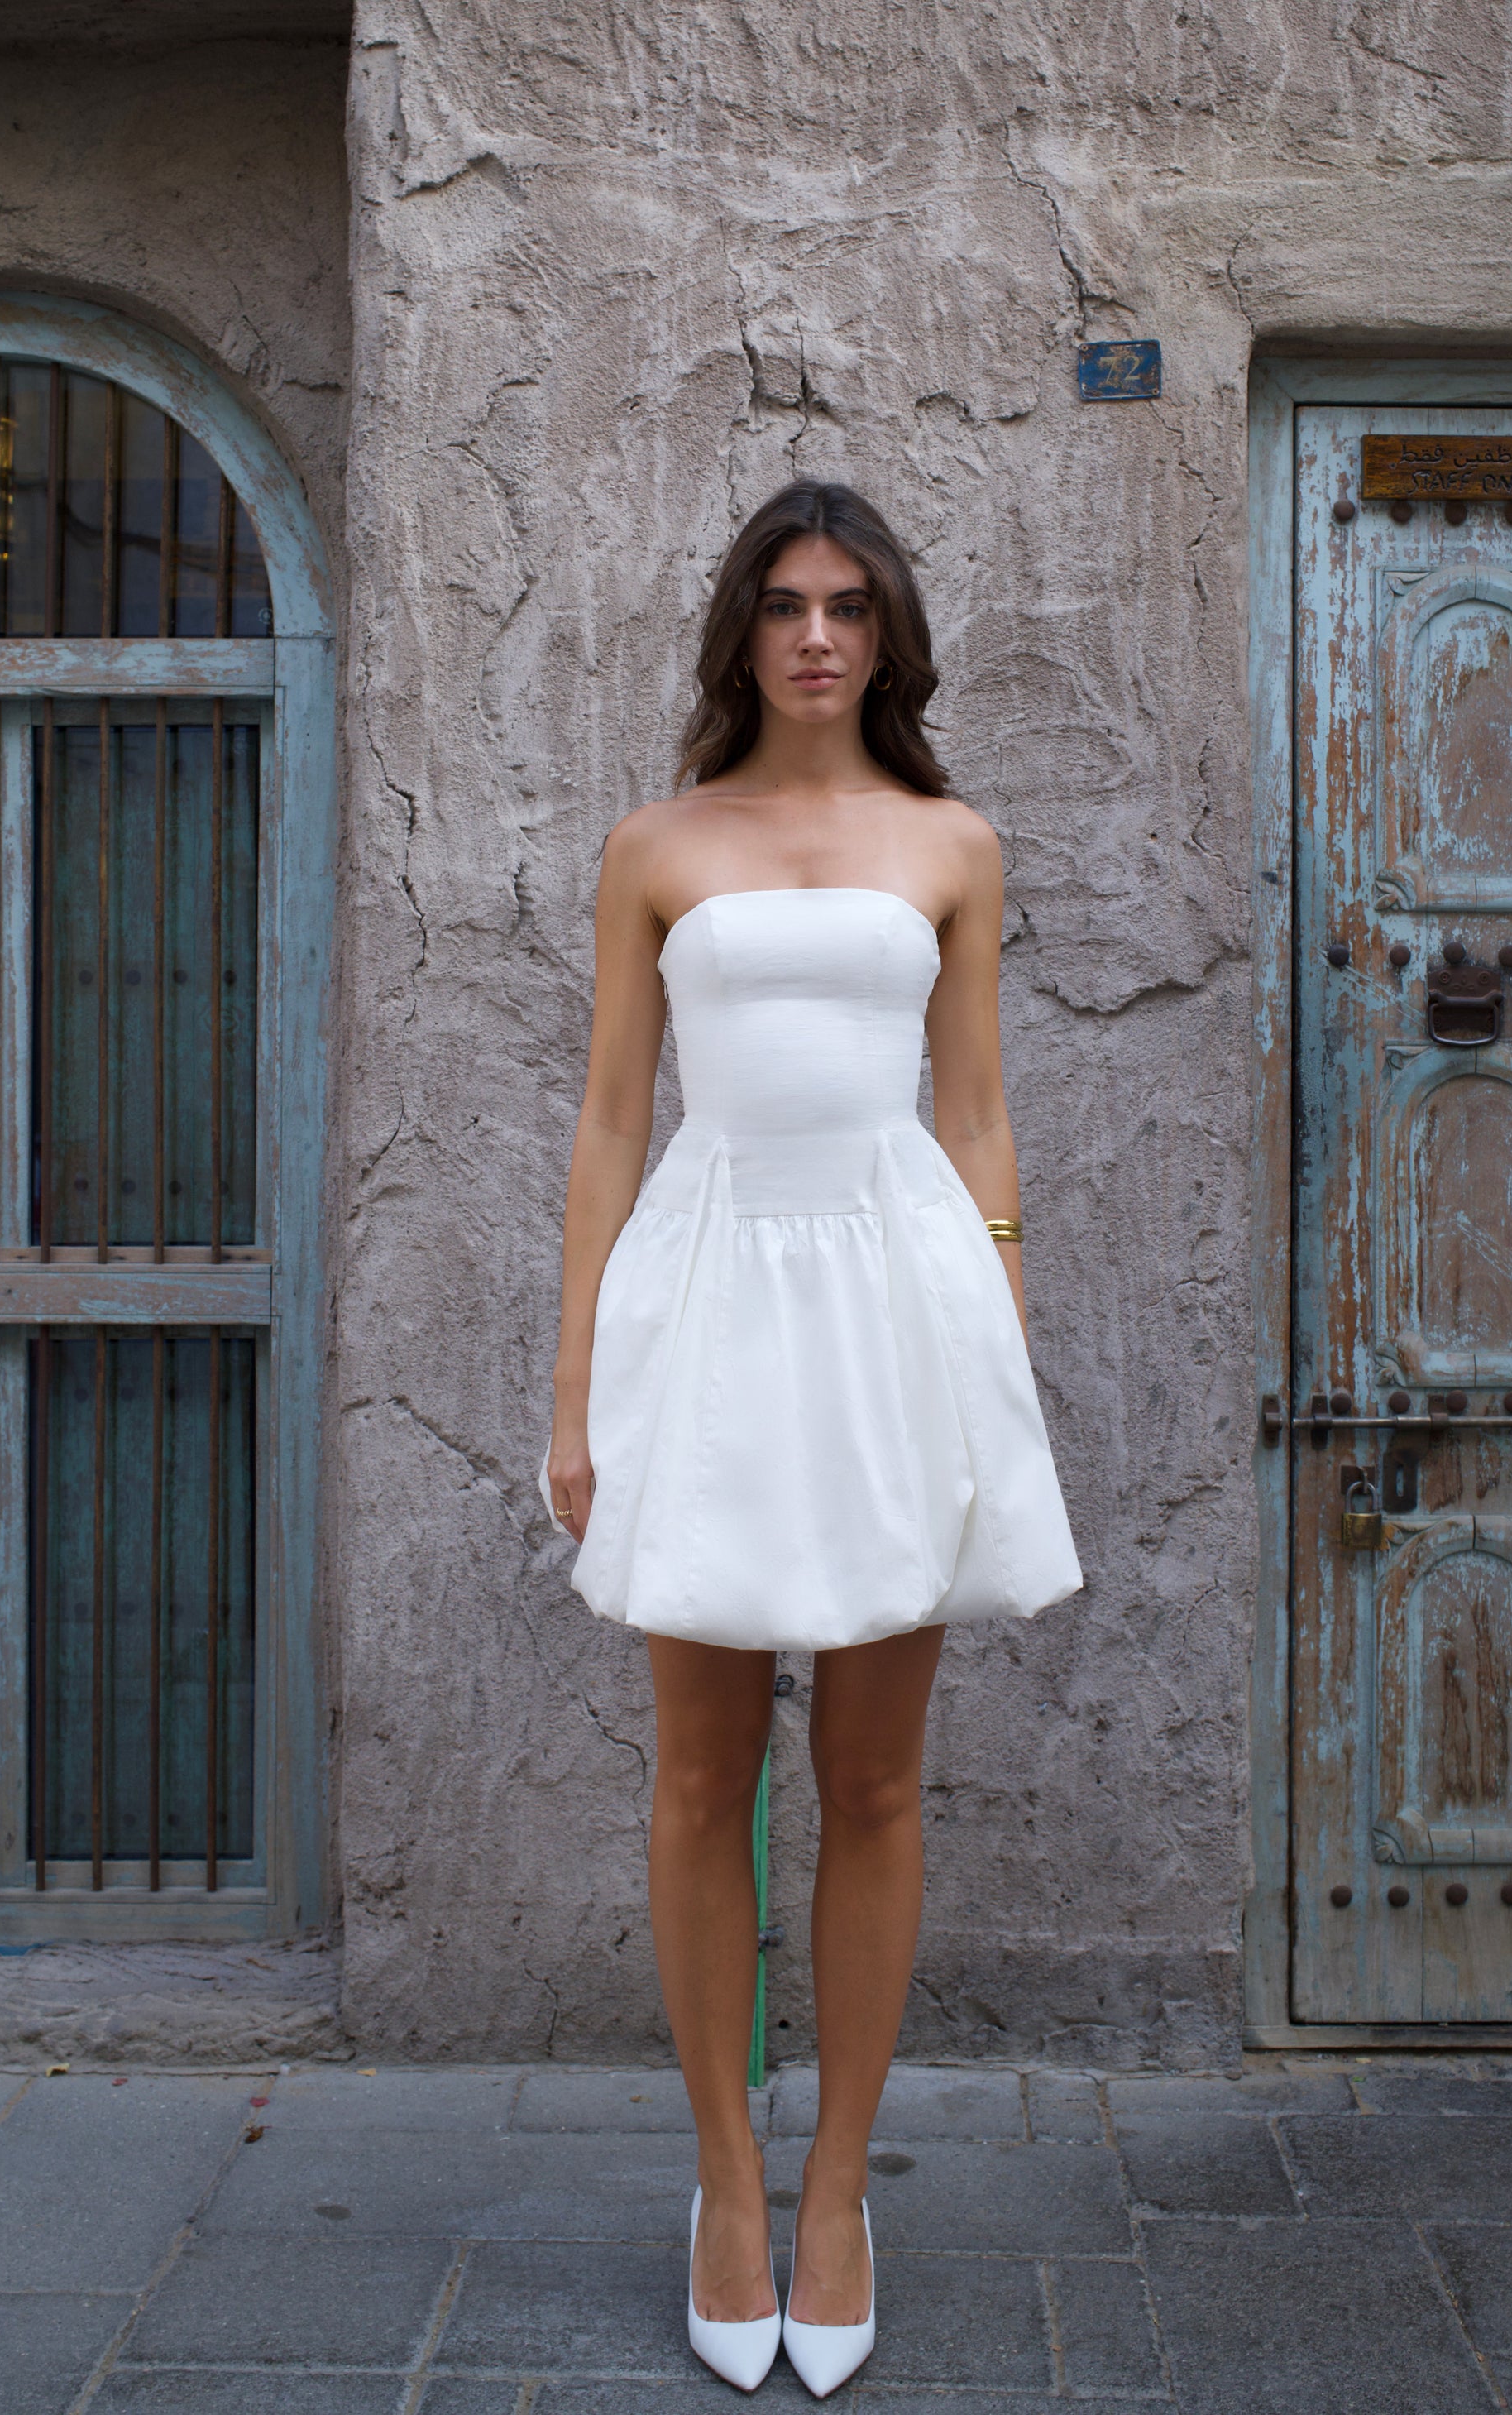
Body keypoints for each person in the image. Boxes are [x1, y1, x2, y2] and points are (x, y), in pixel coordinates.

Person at [543, 479, 1081, 2396]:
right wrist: (572, 1384)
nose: (817, 634)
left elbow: (976, 1110)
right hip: (705, 1303)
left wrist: (998, 1342)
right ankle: (726, 2182)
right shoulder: (655, 843)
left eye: (848, 603)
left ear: (887, 633)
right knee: (702, 1774)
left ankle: (838, 2183)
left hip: (891, 1304)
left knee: (870, 1777)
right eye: (784, 603)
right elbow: (614, 1119)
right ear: (743, 631)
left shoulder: (950, 842)